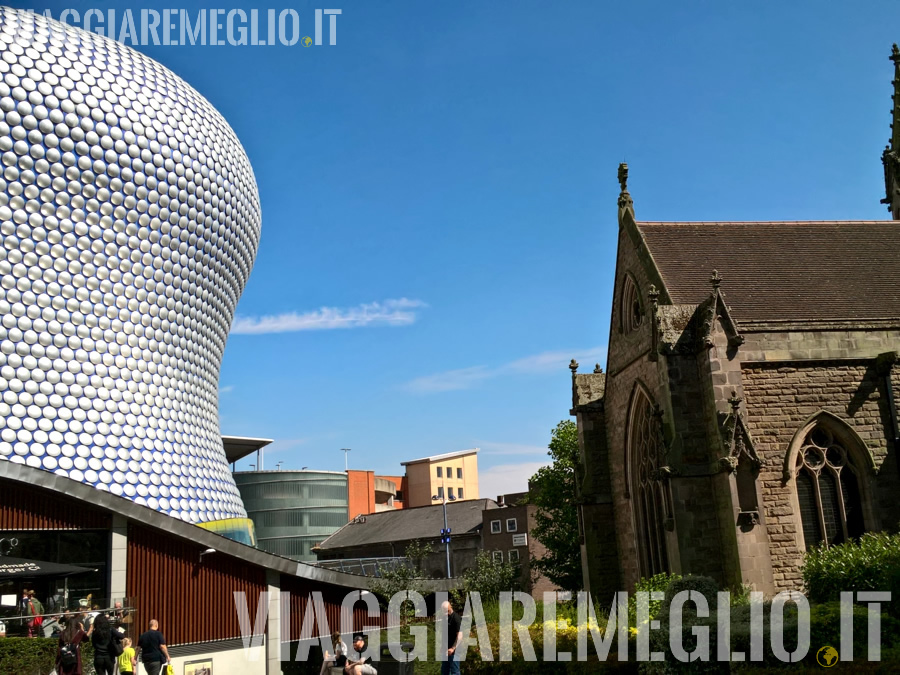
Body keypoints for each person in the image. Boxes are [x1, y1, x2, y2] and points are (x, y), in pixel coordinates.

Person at [439, 600, 463, 675]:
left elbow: (460, 635)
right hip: (445, 650)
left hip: (454, 651)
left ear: (450, 607)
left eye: (447, 610)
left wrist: (453, 648)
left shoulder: (456, 618)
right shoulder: (444, 618)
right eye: (444, 611)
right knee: (444, 671)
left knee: (455, 671)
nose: (445, 613)